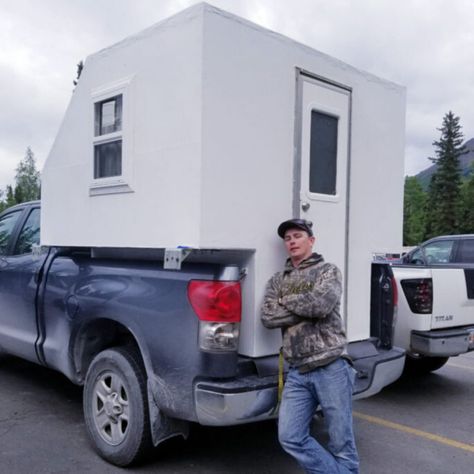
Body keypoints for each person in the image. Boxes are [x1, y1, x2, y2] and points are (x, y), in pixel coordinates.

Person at [261, 218, 359, 474]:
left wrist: (286, 301)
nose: (292, 241)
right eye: (287, 238)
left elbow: (321, 305)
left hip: (331, 366)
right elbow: (268, 317)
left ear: (311, 240)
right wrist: (305, 305)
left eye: (298, 236)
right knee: (290, 437)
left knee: (341, 443)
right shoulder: (276, 280)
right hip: (297, 371)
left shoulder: (328, 270)